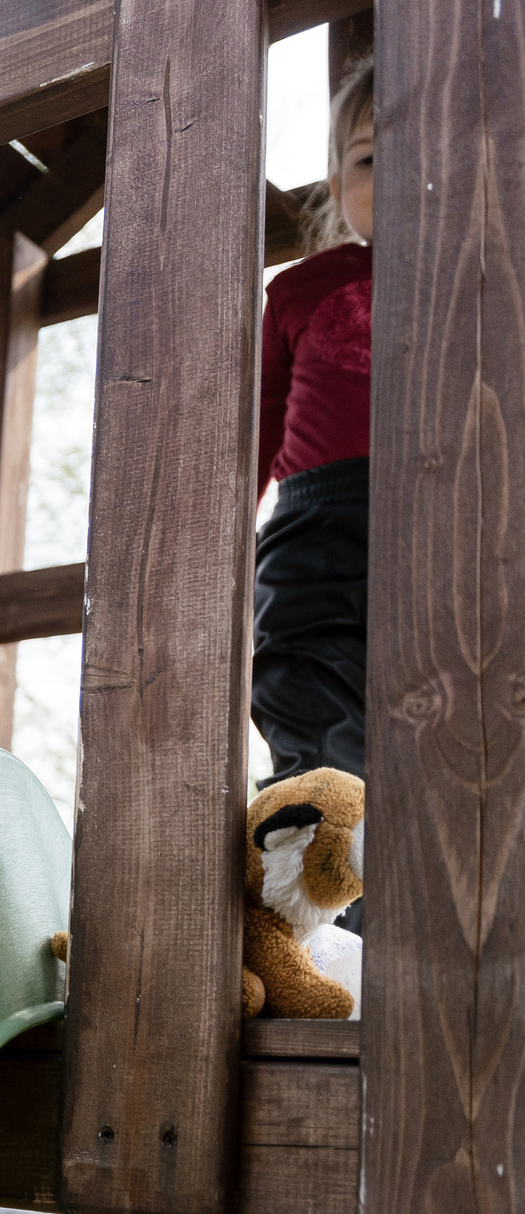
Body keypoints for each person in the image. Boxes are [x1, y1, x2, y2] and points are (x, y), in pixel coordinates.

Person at [253, 59, 374, 792]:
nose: (396, 171)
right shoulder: (300, 288)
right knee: (310, 695)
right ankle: (318, 857)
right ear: (336, 189)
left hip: (459, 507)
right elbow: (258, 426)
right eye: (367, 159)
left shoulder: (490, 273)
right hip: (317, 527)